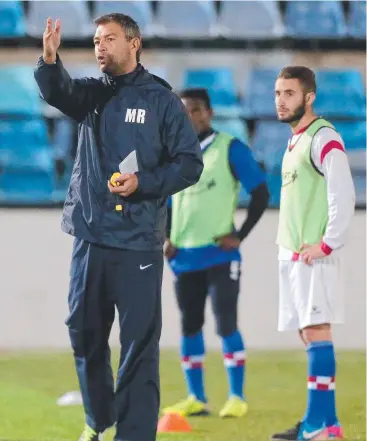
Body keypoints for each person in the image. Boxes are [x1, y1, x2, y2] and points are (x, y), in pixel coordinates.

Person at [34, 14, 203, 441]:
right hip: (91, 238)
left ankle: (135, 434)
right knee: (84, 334)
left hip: (139, 243)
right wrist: (49, 60)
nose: (100, 47)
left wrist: (143, 183)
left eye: (109, 39)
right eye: (95, 40)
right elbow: (61, 92)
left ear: (134, 43)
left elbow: (189, 164)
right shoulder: (92, 94)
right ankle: (98, 417)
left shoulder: (163, 101)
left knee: (139, 348)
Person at [162, 88, 269, 418]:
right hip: (184, 257)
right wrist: (166, 237)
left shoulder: (229, 148)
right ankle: (196, 397)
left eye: (195, 110)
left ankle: (236, 397)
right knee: (190, 326)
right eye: (183, 111)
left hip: (220, 256)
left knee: (226, 324)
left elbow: (261, 193)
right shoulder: (173, 154)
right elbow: (165, 201)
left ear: (208, 113)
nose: (189, 117)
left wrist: (239, 235)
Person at [271, 66, 355, 441]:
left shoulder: (324, 138)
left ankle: (318, 425)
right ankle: (325, 423)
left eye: (289, 93)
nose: (280, 100)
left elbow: (343, 194)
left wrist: (326, 244)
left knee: (318, 332)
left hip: (314, 254)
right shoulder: (295, 140)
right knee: (309, 334)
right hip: (294, 253)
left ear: (309, 97)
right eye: (277, 93)